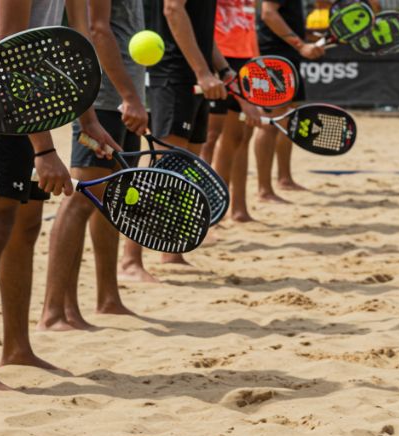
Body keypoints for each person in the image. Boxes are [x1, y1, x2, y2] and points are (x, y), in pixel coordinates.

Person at [0, 0, 115, 389]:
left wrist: (88, 119)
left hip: (32, 103)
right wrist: (43, 149)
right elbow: (9, 49)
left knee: (24, 227)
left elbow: (78, 42)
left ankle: (16, 347)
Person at [118, 0, 259, 282]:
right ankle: (130, 259)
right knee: (160, 169)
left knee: (185, 168)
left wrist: (222, 68)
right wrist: (203, 72)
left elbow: (201, 29)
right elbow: (173, 9)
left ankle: (171, 250)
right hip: (174, 73)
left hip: (197, 72)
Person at [37, 0, 147, 332]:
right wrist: (129, 95)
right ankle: (54, 311)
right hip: (103, 100)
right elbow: (97, 29)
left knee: (110, 199)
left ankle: (107, 297)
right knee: (80, 200)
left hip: (121, 97)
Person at [255, 0, 324, 202]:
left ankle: (284, 179)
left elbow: (282, 16)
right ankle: (264, 190)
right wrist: (301, 44)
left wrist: (307, 38)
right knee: (270, 123)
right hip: (274, 57)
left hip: (287, 56)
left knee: (288, 118)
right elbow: (268, 13)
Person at [210, 0, 261, 222]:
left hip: (245, 58)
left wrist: (257, 63)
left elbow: (250, 25)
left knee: (240, 136)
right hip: (217, 57)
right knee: (210, 137)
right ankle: (211, 211)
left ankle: (237, 207)